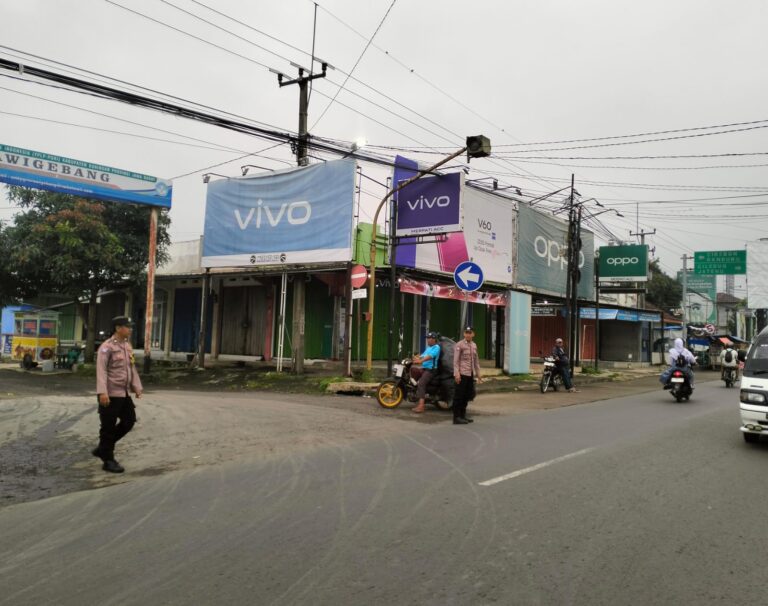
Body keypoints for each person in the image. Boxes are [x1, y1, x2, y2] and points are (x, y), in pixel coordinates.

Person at [92, 316, 143, 473]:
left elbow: (131, 367)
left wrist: (136, 386)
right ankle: (108, 460)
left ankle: (103, 447)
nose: (131, 329)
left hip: (124, 392)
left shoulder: (127, 346)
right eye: (128, 326)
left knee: (129, 421)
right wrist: (102, 392)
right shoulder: (107, 347)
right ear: (118, 328)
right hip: (110, 393)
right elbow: (101, 370)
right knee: (107, 427)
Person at [453, 326, 482, 425]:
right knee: (459, 396)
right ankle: (456, 417)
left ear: (473, 334)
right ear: (464, 334)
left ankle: (463, 415)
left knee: (467, 396)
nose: (468, 334)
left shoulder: (474, 345)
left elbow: (476, 361)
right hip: (462, 374)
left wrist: (478, 374)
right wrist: (457, 374)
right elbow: (456, 361)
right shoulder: (459, 345)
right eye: (466, 332)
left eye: (470, 333)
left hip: (470, 374)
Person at [411, 332, 441, 414]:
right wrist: (415, 358)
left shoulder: (436, 347)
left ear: (434, 339)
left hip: (431, 370)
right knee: (413, 370)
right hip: (424, 368)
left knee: (421, 383)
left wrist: (420, 361)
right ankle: (417, 392)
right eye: (427, 338)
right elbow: (423, 355)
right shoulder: (428, 348)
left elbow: (430, 356)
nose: (427, 339)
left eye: (429, 338)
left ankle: (421, 406)